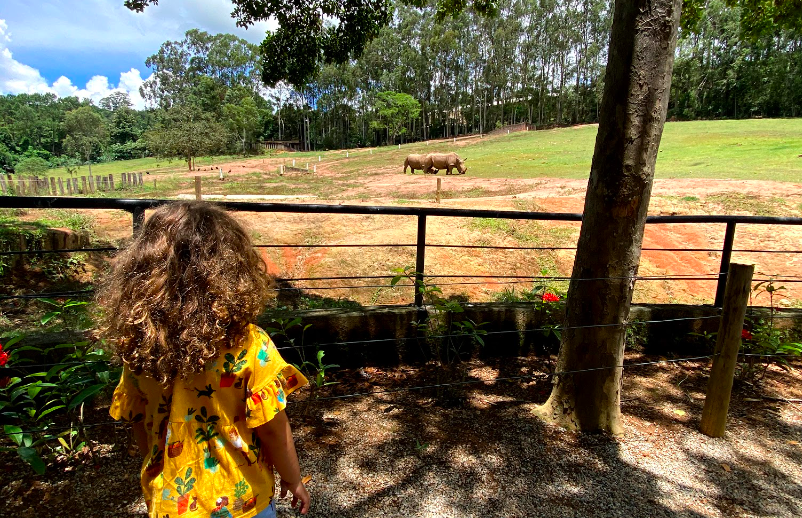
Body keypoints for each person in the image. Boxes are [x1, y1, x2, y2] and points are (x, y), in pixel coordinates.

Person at [98, 201, 311, 518]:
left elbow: (141, 424)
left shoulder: (140, 346)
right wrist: (294, 480)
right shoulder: (251, 344)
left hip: (172, 500)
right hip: (244, 501)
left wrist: (156, 477)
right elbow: (272, 429)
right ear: (233, 269)